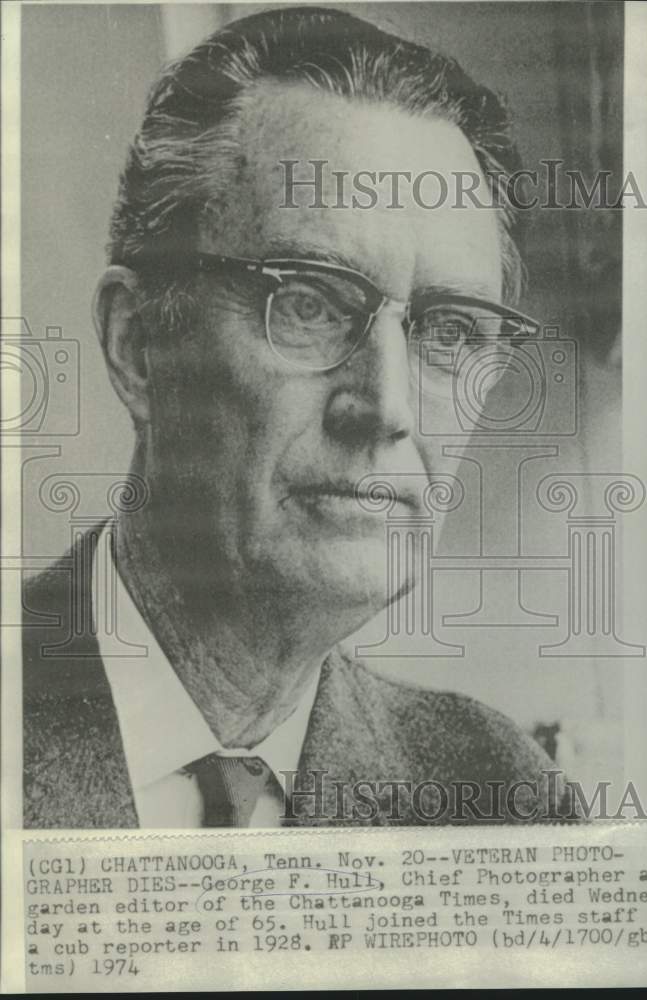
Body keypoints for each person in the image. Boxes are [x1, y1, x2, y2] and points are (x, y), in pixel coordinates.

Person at [23, 5, 577, 828]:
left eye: (448, 329)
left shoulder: (507, 799)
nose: (385, 407)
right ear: (140, 345)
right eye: (310, 304)